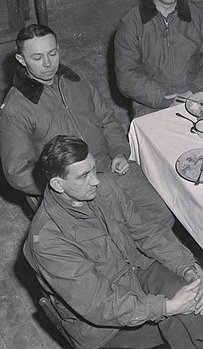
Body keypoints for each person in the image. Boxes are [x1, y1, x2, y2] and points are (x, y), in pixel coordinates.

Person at [24, 136, 203, 349]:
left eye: (94, 169)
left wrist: (187, 266)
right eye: (84, 176)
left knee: (200, 299)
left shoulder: (103, 187)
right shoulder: (48, 240)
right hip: (102, 322)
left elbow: (147, 231)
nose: (96, 180)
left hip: (137, 269)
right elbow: (99, 305)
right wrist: (167, 307)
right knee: (184, 318)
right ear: (57, 184)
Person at [0, 24, 172, 225]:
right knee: (113, 237)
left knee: (160, 215)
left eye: (52, 53)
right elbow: (17, 170)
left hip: (107, 167)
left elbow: (108, 119)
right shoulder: (16, 107)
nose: (48, 63)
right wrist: (65, 186)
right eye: (37, 58)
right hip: (68, 189)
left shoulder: (76, 80)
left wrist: (118, 152)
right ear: (21, 60)